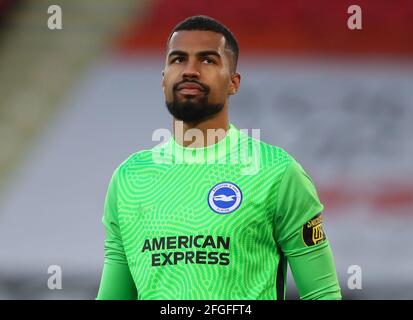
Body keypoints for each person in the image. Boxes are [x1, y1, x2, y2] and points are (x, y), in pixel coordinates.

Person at [96, 15, 341, 300]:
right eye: (177, 60)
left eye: (208, 60)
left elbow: (322, 294)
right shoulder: (129, 178)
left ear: (234, 83)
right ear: (163, 79)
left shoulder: (277, 172)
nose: (190, 70)